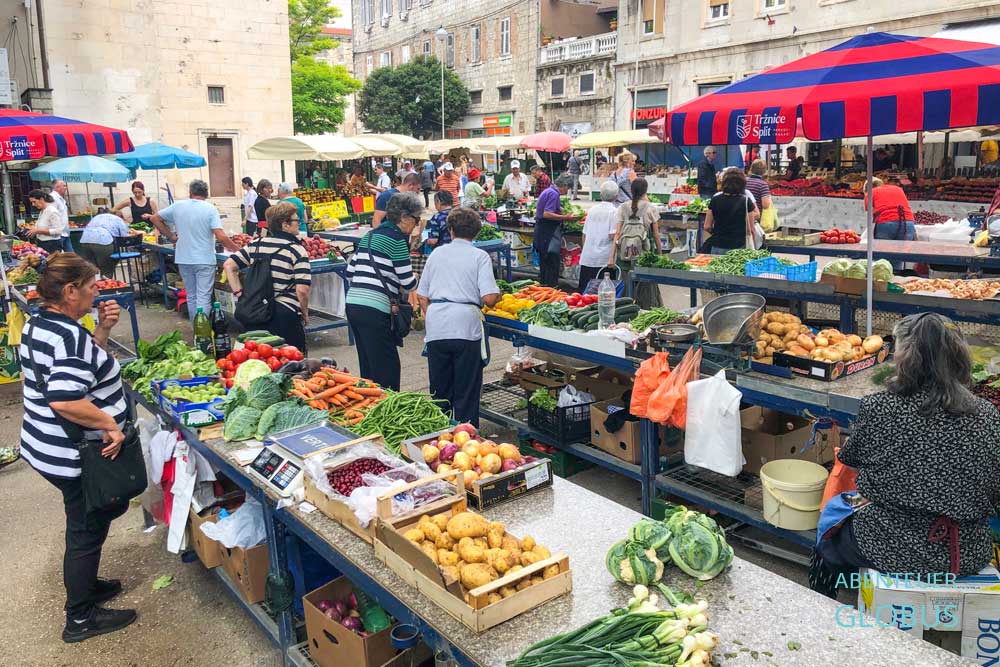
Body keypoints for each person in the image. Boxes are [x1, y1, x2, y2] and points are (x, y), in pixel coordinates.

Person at [809, 313, 1000, 598]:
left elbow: (851, 458)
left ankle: (825, 601)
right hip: (965, 552)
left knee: (830, 533)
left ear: (907, 357)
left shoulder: (879, 407)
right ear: (958, 355)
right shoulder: (988, 415)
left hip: (887, 545)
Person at [19, 253, 136, 642]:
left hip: (44, 445)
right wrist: (109, 425)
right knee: (86, 529)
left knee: (91, 520)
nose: (96, 292)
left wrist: (100, 330)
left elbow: (80, 369)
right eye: (90, 287)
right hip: (71, 453)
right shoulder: (68, 335)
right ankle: (80, 619)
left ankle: (87, 587)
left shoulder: (42, 323)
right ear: (70, 292)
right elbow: (65, 398)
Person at [417, 207, 500, 426]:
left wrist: (433, 316)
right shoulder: (479, 256)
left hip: (437, 327)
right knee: (466, 391)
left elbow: (422, 295)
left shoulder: (436, 254)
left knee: (440, 392)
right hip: (466, 327)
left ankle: (439, 438)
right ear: (476, 233)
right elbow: (490, 298)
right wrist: (499, 294)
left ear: (450, 230)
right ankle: (467, 440)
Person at [345, 193, 420, 390]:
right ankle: (386, 412)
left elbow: (349, 271)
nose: (416, 224)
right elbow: (408, 282)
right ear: (404, 218)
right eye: (416, 219)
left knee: (368, 365)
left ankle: (368, 408)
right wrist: (417, 278)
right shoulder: (397, 239)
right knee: (387, 369)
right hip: (375, 309)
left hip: (353, 304)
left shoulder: (370, 236)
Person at [224, 202, 311, 352]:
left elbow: (229, 265)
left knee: (261, 359)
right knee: (292, 362)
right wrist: (305, 312)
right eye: (297, 220)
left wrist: (240, 294)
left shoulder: (256, 245)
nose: (299, 223)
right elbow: (302, 290)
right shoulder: (297, 250)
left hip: (257, 311)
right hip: (285, 315)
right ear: (285, 224)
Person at [150, 179, 239, 320]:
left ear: (190, 192)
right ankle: (203, 331)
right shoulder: (210, 209)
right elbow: (221, 236)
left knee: (191, 296)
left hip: (183, 258)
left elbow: (155, 218)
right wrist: (237, 250)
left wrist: (171, 236)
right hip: (204, 259)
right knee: (203, 296)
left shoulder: (178, 206)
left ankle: (196, 330)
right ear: (206, 193)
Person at [610, 177, 662, 308]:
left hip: (624, 255)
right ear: (646, 191)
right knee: (646, 286)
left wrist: (611, 257)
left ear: (631, 190)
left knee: (626, 286)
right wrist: (660, 255)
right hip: (645, 255)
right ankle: (646, 308)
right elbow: (656, 235)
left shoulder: (623, 207)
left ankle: (625, 310)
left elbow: (617, 233)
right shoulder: (650, 208)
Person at [533, 174, 579, 287]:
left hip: (542, 231)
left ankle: (545, 288)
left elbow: (549, 208)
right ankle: (550, 289)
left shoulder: (549, 191)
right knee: (551, 263)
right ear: (563, 185)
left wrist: (561, 210)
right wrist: (566, 217)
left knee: (545, 263)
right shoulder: (553, 194)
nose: (567, 191)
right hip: (547, 232)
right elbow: (546, 214)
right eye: (567, 188)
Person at [578, 181, 620, 292]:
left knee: (585, 292)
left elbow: (584, 234)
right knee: (602, 294)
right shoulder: (615, 212)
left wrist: (585, 251)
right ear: (616, 196)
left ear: (601, 195)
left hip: (588, 257)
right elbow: (613, 235)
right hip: (604, 259)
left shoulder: (592, 210)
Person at [704, 169, 757, 254]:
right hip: (739, 247)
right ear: (742, 184)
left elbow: (707, 226)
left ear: (724, 183)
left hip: (717, 245)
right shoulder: (746, 201)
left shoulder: (715, 200)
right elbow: (750, 229)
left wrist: (717, 233)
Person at [78, 210, 135, 278]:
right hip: (103, 241)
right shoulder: (118, 219)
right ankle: (105, 286)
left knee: (90, 269)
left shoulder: (97, 217)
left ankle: (91, 286)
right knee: (107, 269)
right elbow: (125, 237)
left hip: (85, 240)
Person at [864, 177, 915, 242]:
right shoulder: (898, 189)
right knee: (904, 250)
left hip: (886, 223)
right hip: (907, 222)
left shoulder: (870, 193)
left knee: (883, 250)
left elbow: (870, 212)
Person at [25, 189, 67, 255]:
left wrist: (38, 231)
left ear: (41, 199)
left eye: (34, 202)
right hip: (42, 243)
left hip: (52, 245)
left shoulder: (52, 211)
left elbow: (58, 231)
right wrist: (33, 230)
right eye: (32, 202)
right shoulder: (42, 211)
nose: (33, 204)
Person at [51, 180, 73, 251]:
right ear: (57, 187)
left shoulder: (61, 198)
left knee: (71, 256)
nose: (65, 188)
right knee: (59, 257)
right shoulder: (52, 198)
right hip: (58, 234)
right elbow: (51, 215)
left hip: (65, 233)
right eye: (63, 186)